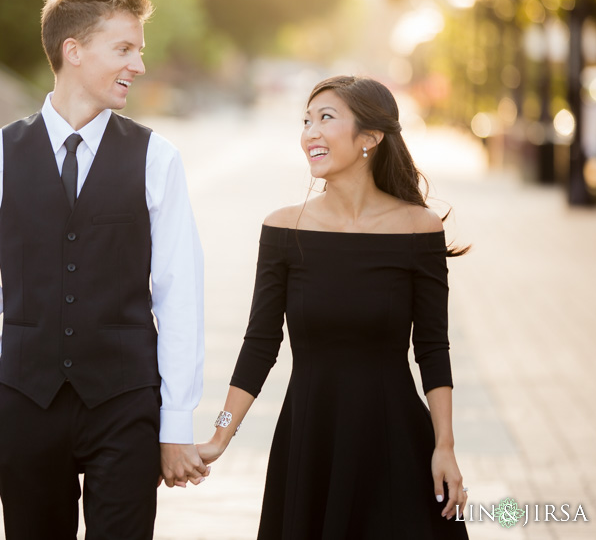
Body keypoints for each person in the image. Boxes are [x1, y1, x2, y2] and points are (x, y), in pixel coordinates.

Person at [0, 0, 207, 540]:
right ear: (73, 50)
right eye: (125, 49)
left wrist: (175, 422)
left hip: (126, 405)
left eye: (139, 49)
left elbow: (179, 295)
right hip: (24, 405)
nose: (139, 63)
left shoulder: (156, 158)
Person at [197, 75, 470, 539]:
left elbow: (432, 347)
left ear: (370, 137)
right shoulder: (284, 229)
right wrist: (221, 433)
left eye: (326, 119)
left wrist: (444, 445)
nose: (310, 134)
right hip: (311, 437)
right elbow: (260, 344)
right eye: (306, 121)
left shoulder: (418, 229)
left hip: (393, 439)